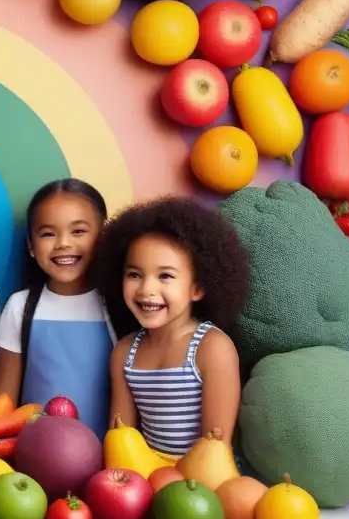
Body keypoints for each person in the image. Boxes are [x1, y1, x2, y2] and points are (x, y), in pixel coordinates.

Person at [92, 196, 250, 458]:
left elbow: (214, 451)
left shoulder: (212, 349)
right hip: (146, 476)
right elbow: (121, 441)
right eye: (135, 275)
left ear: (197, 287)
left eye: (165, 276)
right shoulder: (124, 352)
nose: (146, 290)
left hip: (200, 481)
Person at [0, 179, 115, 441]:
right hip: (33, 461)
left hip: (107, 464)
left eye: (78, 231)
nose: (63, 243)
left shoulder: (118, 307)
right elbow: (3, 402)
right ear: (30, 245)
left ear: (102, 237)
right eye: (48, 233)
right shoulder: (20, 307)